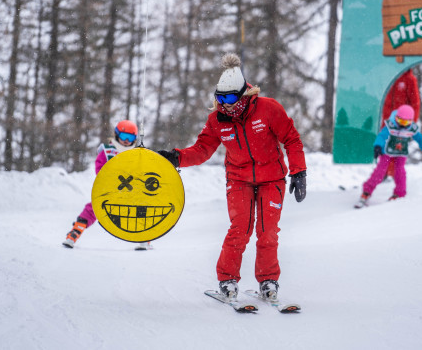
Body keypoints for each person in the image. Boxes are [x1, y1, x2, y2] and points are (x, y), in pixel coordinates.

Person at [157, 53, 307, 302]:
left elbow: (292, 139)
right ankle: (227, 280)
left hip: (272, 179)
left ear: (243, 93)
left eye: (229, 98)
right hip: (239, 180)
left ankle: (268, 280)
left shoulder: (268, 109)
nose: (225, 103)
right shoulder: (217, 120)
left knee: (267, 231)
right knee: (240, 229)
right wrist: (175, 157)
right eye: (220, 98)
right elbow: (202, 150)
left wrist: (299, 172)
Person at [62, 119, 152, 250]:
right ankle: (75, 232)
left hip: (131, 190)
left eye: (130, 137)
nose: (126, 140)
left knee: (141, 208)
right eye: (123, 136)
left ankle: (145, 236)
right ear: (117, 135)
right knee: (94, 207)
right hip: (111, 189)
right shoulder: (107, 151)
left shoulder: (138, 153)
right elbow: (100, 169)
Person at [357, 104, 422, 208]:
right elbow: (382, 136)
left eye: (406, 122)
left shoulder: (412, 129)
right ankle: (366, 192)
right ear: (396, 118)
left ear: (410, 121)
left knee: (400, 172)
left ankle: (399, 194)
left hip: (400, 153)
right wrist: (377, 146)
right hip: (386, 152)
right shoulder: (390, 125)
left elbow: (421, 140)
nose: (403, 125)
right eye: (400, 121)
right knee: (380, 171)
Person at [382, 69, 421, 179]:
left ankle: (394, 175)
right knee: (384, 145)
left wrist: (412, 123)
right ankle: (383, 172)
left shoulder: (409, 79)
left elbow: (415, 103)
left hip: (401, 123)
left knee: (397, 148)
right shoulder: (388, 76)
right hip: (386, 120)